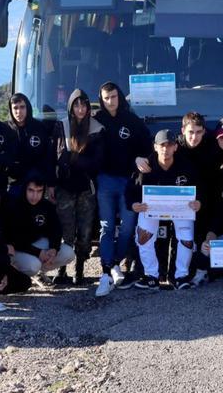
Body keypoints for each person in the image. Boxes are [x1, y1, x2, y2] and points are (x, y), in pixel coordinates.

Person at [93, 82, 151, 297]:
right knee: (107, 227)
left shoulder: (131, 120)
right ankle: (106, 271)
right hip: (105, 181)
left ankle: (117, 262)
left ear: (120, 97)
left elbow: (147, 145)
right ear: (101, 98)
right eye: (106, 98)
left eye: (114, 97)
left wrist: (138, 157)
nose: (110, 102)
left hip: (128, 182)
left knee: (128, 227)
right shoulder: (96, 121)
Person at [128, 129, 201, 290]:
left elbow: (200, 188)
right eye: (162, 145)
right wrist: (134, 205)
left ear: (175, 147)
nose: (165, 149)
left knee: (187, 238)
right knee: (143, 236)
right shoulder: (145, 165)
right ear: (155, 147)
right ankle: (151, 275)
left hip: (181, 208)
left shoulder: (185, 165)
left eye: (169, 145)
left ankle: (181, 276)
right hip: (151, 208)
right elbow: (131, 190)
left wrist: (199, 202)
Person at [53, 89, 105, 285]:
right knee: (66, 232)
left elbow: (97, 162)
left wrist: (74, 160)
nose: (80, 109)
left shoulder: (97, 129)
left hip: (86, 188)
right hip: (65, 188)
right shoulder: (62, 126)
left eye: (83, 105)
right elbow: (56, 157)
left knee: (84, 232)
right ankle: (61, 269)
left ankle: (80, 269)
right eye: (76, 105)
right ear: (71, 107)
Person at [7, 174, 75, 282]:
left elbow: (55, 229)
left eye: (39, 191)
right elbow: (14, 239)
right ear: (25, 189)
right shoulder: (14, 205)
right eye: (31, 190)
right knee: (33, 265)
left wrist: (53, 248)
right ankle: (15, 275)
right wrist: (38, 252)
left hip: (36, 244)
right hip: (17, 249)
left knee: (69, 253)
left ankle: (40, 270)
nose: (35, 195)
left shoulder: (46, 205)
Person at [7, 92, 56, 198]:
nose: (19, 111)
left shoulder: (39, 128)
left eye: (22, 107)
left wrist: (51, 184)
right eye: (15, 108)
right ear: (11, 109)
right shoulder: (5, 130)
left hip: (36, 184)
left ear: (27, 107)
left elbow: (49, 158)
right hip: (15, 183)